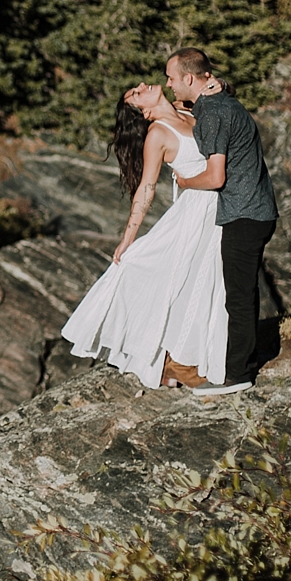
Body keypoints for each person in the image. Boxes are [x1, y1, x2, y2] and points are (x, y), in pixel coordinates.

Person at [61, 80, 227, 390]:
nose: (141, 85)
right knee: (187, 283)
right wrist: (128, 238)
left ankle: (197, 356)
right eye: (136, 94)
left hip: (219, 206)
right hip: (195, 214)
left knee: (210, 283)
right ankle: (173, 361)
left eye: (136, 88)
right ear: (143, 112)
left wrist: (221, 85)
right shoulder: (159, 134)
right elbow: (146, 190)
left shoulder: (185, 109)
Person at [165, 47, 277, 397]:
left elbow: (215, 177)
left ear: (189, 78)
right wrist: (216, 85)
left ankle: (239, 374)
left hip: (243, 214)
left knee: (239, 298)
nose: (168, 85)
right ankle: (238, 363)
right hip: (256, 210)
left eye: (171, 78)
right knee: (243, 293)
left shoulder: (213, 113)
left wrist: (184, 182)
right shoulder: (220, 102)